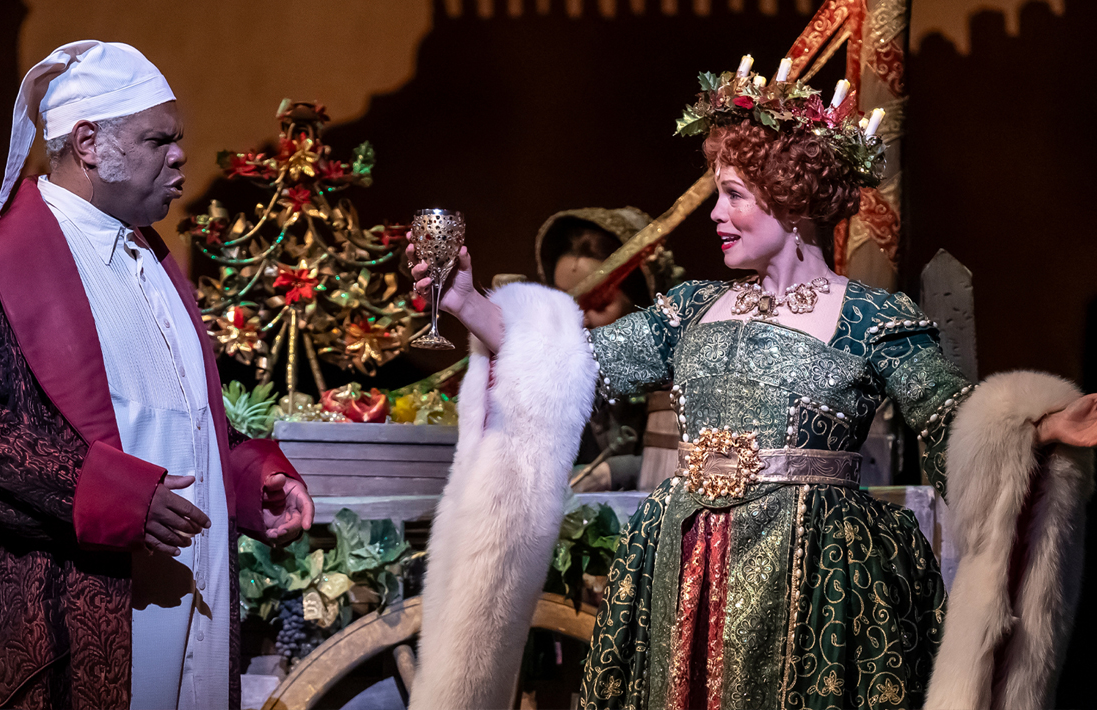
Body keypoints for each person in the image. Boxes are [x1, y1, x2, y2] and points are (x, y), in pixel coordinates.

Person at [409, 64, 1097, 710]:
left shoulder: (872, 318)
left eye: (733, 195)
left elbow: (952, 421)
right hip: (681, 561)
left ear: (790, 197)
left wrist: (1038, 430)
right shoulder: (691, 307)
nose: (717, 213)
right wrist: (466, 304)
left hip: (817, 576)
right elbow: (571, 361)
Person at [0, 41, 313, 709]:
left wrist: (246, 479)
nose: (181, 155)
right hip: (69, 619)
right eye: (159, 139)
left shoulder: (151, 262)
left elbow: (171, 423)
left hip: (180, 595)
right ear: (90, 142)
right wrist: (113, 497)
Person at [536, 207, 659, 491]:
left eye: (600, 304)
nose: (580, 321)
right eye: (566, 303)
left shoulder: (680, 370)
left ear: (641, 303)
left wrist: (608, 473)